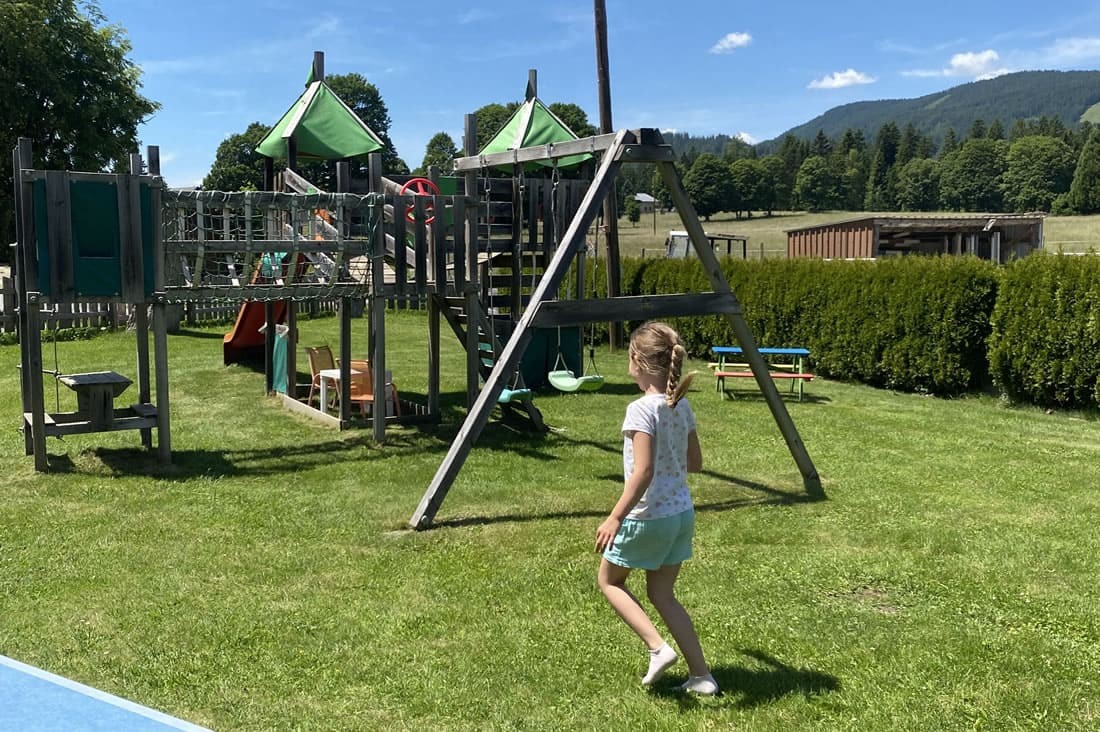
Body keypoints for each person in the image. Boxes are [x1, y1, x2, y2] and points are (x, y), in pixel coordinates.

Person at [595, 321, 718, 695]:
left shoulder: (639, 410)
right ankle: (702, 676)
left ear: (638, 361)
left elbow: (643, 471)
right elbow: (694, 462)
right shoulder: (681, 405)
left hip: (647, 517)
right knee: (662, 594)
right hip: (680, 515)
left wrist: (615, 516)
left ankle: (658, 648)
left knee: (609, 581)